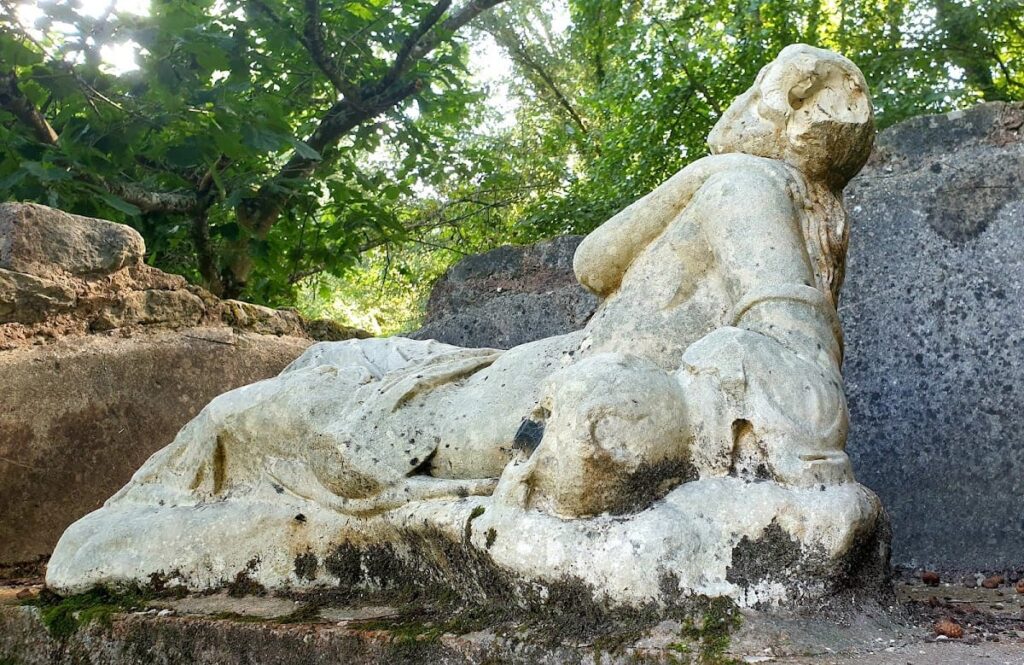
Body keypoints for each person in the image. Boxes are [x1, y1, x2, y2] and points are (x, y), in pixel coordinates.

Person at [67, 44, 875, 523]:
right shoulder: (789, 205)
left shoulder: (740, 181)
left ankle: (152, 514)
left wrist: (702, 172)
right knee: (333, 369)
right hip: (556, 369)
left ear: (767, 115)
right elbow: (597, 268)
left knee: (265, 414)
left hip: (556, 389)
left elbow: (785, 364)